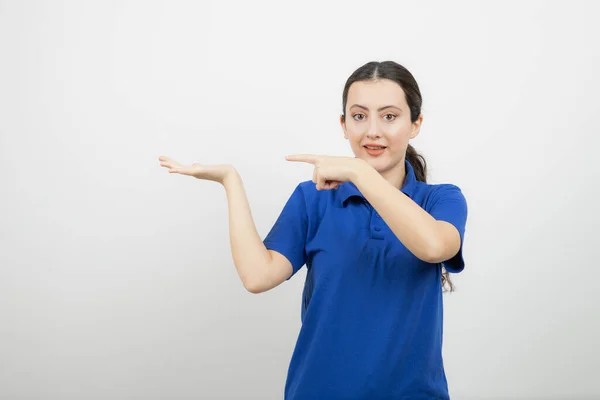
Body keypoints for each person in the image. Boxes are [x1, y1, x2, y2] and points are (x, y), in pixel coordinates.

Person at [158, 60, 468, 399]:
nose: (372, 131)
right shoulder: (314, 199)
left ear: (415, 124)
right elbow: (257, 276)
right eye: (359, 116)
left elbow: (436, 246)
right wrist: (230, 181)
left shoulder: (441, 199)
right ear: (344, 124)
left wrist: (358, 172)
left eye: (390, 116)